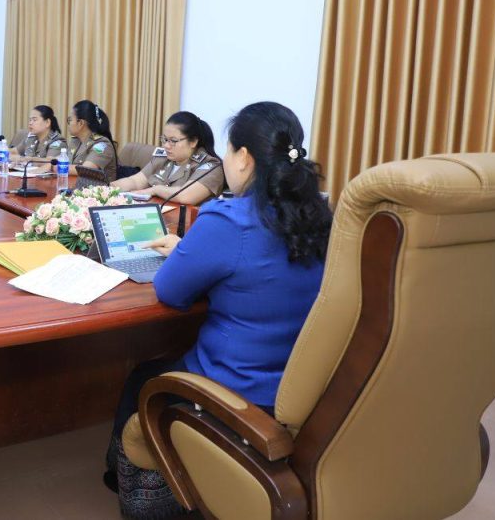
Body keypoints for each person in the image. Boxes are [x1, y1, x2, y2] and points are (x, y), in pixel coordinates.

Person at [104, 101, 333, 519]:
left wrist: (185, 254)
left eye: (228, 150)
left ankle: (140, 493)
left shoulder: (228, 220)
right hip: (303, 387)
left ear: (243, 157)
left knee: (142, 378)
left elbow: (170, 292)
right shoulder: (321, 216)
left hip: (236, 387)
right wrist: (191, 249)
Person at [111, 111, 225, 204]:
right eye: (165, 139)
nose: (166, 145)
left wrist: (155, 190)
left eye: (173, 141)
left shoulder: (210, 167)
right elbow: (135, 181)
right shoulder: (163, 158)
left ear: (193, 142)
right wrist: (111, 188)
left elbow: (185, 196)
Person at [67, 100, 118, 183]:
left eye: (70, 120)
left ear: (80, 123)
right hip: (75, 185)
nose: (68, 123)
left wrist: (54, 167)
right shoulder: (75, 141)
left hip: (96, 190)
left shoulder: (102, 145)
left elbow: (85, 170)